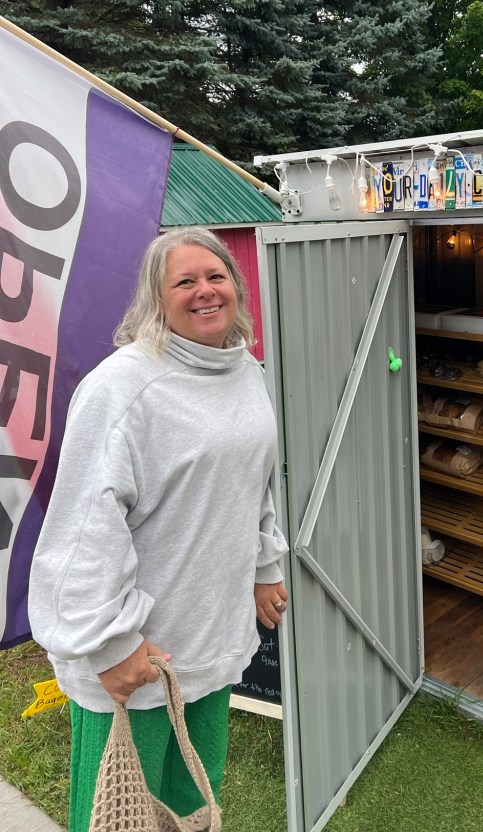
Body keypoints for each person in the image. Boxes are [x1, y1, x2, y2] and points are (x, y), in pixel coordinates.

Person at [29, 226, 289, 832]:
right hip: (137, 657)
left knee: (193, 806)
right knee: (121, 817)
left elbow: (255, 481)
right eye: (185, 281)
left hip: (210, 638)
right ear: (155, 298)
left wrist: (264, 566)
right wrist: (110, 645)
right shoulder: (121, 388)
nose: (206, 291)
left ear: (237, 287)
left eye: (216, 276)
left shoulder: (245, 371)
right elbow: (81, 531)